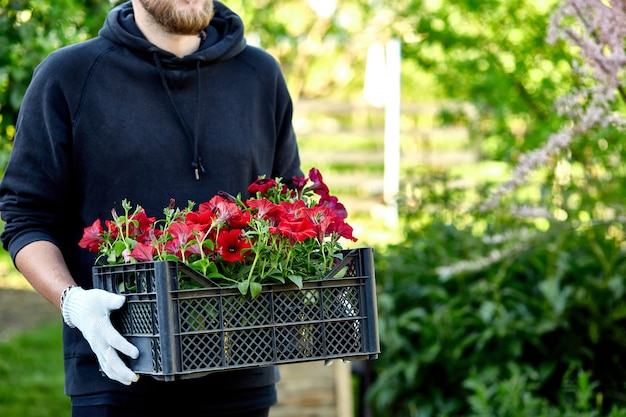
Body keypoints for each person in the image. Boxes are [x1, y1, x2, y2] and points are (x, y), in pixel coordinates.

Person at [0, 0, 302, 416]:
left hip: (241, 369)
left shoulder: (260, 75)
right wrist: (73, 302)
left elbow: (289, 207)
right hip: (118, 369)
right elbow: (25, 216)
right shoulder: (69, 75)